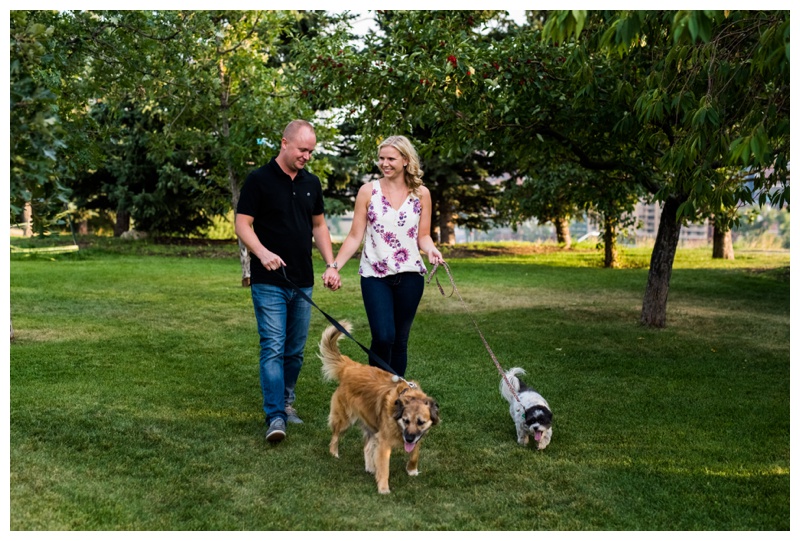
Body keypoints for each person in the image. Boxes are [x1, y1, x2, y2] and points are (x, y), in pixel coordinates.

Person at [235, 120, 337, 443]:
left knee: (294, 351)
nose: (306, 156)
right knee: (273, 347)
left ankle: (287, 402)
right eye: (302, 149)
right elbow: (242, 224)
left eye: (311, 151)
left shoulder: (312, 183)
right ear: (284, 143)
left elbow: (319, 226)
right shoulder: (259, 180)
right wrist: (262, 253)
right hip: (268, 280)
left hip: (302, 280)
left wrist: (331, 264)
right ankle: (275, 415)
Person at [322, 135, 444, 378]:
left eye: (391, 158)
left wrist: (431, 249)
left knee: (399, 340)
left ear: (406, 160)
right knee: (383, 335)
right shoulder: (368, 191)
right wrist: (334, 266)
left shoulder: (421, 194)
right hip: (375, 276)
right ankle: (375, 389)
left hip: (410, 275)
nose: (384, 163)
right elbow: (356, 236)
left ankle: (396, 394)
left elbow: (423, 236)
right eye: (381, 158)